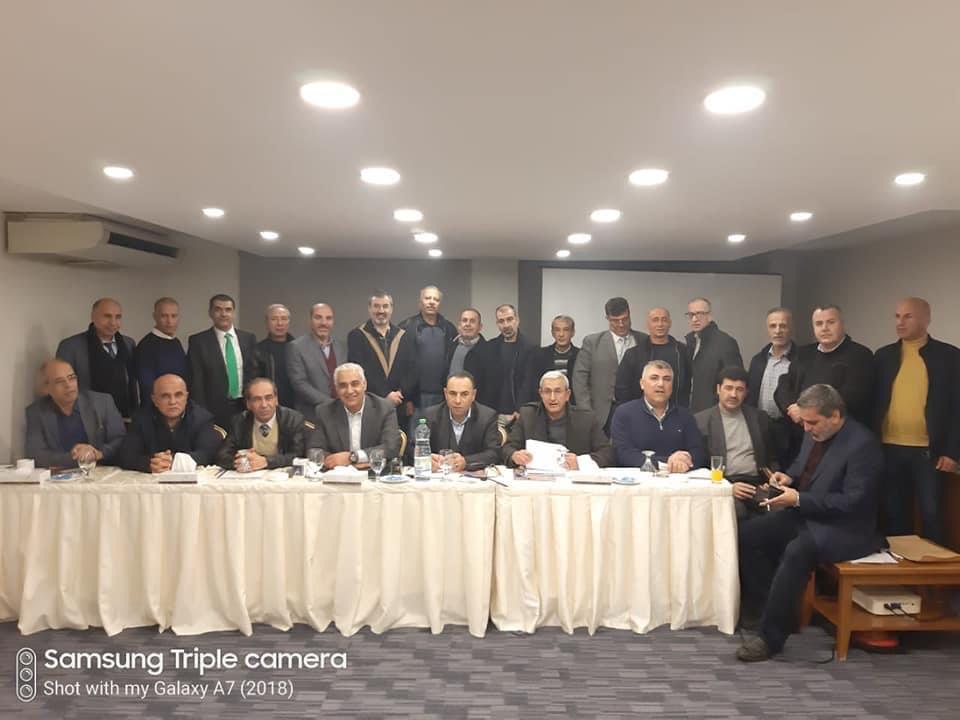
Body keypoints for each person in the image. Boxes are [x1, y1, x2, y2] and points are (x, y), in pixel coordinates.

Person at [736, 384, 883, 662]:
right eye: (804, 422)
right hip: (807, 513)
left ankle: (770, 637)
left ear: (835, 416)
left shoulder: (863, 445)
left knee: (798, 550)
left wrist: (799, 499)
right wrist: (787, 477)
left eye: (812, 422)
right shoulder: (815, 430)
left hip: (846, 527)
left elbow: (853, 503)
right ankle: (771, 611)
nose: (806, 428)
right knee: (748, 534)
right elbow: (802, 465)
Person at [874, 297, 960, 545]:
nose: (900, 322)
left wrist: (952, 452)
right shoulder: (884, 356)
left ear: (926, 319)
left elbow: (957, 407)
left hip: (929, 452)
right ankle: (901, 563)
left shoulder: (948, 356)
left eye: (908, 316)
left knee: (932, 514)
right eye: (897, 316)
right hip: (889, 447)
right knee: (894, 513)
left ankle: (934, 567)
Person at [694, 366, 776, 520]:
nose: (733, 394)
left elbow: (771, 457)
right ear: (718, 389)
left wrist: (771, 479)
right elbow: (699, 467)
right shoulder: (701, 422)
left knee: (781, 512)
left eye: (739, 389)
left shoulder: (759, 418)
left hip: (757, 484)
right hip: (723, 483)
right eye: (728, 388)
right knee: (737, 513)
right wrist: (727, 487)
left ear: (746, 392)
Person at [774, 305, 874, 426]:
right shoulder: (803, 353)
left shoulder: (860, 355)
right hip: (799, 429)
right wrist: (791, 407)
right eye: (819, 324)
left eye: (831, 322)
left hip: (839, 431)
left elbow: (852, 398)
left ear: (842, 324)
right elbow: (784, 386)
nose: (824, 328)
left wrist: (805, 411)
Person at [24, 358, 125, 468]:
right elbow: (36, 456)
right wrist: (76, 457)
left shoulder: (102, 402)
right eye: (59, 381)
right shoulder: (36, 412)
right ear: (47, 387)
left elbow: (121, 440)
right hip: (61, 475)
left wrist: (97, 454)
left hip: (101, 471)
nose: (68, 385)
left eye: (71, 378)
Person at [504, 370, 614, 468]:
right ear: (541, 394)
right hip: (538, 479)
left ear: (567, 395)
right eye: (547, 391)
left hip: (572, 478)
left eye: (557, 391)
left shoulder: (586, 418)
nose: (552, 398)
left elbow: (607, 453)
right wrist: (514, 456)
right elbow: (507, 448)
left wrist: (581, 462)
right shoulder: (528, 415)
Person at [610, 360, 706, 471]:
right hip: (639, 478)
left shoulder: (685, 416)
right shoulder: (624, 413)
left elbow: (698, 453)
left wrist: (685, 459)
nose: (661, 384)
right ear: (642, 384)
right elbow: (623, 454)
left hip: (677, 478)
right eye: (654, 378)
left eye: (667, 379)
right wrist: (668, 462)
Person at [118, 374, 224, 472]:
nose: (172, 402)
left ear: (186, 397)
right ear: (154, 400)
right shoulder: (141, 419)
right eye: (165, 396)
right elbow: (126, 455)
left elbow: (207, 454)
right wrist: (149, 463)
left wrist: (173, 460)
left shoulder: (202, 419)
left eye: (178, 395)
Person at [573, 297, 648, 431]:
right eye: (615, 320)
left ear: (629, 314)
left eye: (625, 319)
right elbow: (580, 379)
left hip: (637, 411)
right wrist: (586, 412)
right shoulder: (592, 342)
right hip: (601, 413)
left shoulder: (644, 340)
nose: (621, 324)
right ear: (607, 318)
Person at [56, 297, 138, 418]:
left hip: (125, 416)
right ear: (93, 317)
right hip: (86, 417)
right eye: (107, 316)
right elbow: (62, 387)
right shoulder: (71, 346)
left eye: (118, 317)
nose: (113, 322)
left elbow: (132, 383)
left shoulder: (128, 343)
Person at [186, 294, 258, 428]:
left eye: (228, 310)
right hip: (214, 409)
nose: (223, 314)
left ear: (233, 313)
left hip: (245, 406)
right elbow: (197, 381)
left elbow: (254, 373)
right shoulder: (198, 341)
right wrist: (202, 413)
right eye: (218, 309)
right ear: (210, 313)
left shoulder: (248, 338)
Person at [308, 363, 401, 467]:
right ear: (336, 389)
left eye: (355, 384)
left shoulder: (384, 408)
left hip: (373, 472)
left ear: (364, 385)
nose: (349, 391)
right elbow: (315, 450)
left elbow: (391, 448)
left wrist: (353, 457)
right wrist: (333, 461)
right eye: (343, 386)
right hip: (338, 473)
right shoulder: (324, 412)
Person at [347, 291, 416, 425]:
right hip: (371, 404)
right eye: (376, 306)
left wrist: (400, 393)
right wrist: (386, 395)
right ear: (369, 309)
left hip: (399, 404)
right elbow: (358, 371)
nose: (381, 311)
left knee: (400, 437)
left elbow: (412, 369)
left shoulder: (404, 336)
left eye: (385, 306)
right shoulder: (357, 336)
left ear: (391, 309)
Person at [408, 371, 500, 471]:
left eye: (464, 394)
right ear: (445, 394)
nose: (457, 400)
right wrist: (426, 458)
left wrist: (466, 461)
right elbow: (411, 450)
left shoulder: (487, 417)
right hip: (439, 477)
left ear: (473, 395)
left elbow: (494, 453)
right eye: (452, 393)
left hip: (472, 476)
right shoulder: (430, 415)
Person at [465, 304, 535, 425]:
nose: (506, 325)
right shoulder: (488, 349)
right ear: (497, 324)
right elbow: (482, 383)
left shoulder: (530, 349)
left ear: (517, 320)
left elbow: (529, 383)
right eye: (501, 321)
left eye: (509, 319)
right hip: (492, 415)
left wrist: (521, 410)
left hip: (519, 415)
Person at [218, 378, 309, 471]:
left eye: (268, 398)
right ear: (248, 404)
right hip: (250, 476)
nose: (264, 405)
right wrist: (241, 460)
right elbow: (223, 456)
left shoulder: (293, 419)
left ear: (276, 400)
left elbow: (298, 455)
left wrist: (267, 461)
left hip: (281, 475)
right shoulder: (240, 421)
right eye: (257, 399)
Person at [745, 307, 798, 466]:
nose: (778, 331)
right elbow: (750, 395)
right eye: (773, 326)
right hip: (761, 427)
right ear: (767, 329)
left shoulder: (802, 360)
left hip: (790, 429)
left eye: (783, 326)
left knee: (787, 470)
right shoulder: (758, 360)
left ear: (791, 328)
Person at [615, 307, 691, 407]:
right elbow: (622, 389)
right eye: (655, 320)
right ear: (648, 324)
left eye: (664, 320)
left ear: (670, 323)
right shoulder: (633, 354)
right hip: (640, 412)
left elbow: (689, 384)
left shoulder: (682, 351)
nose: (660, 324)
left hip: (676, 412)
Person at [399, 286, 458, 413]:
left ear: (439, 304)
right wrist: (406, 399)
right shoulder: (406, 328)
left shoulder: (449, 329)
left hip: (443, 396)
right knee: (418, 427)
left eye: (436, 299)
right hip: (416, 398)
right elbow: (400, 366)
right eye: (427, 298)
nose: (432, 302)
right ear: (420, 302)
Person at [286, 303, 346, 422]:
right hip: (312, 416)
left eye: (328, 318)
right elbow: (299, 383)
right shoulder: (296, 347)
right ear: (310, 320)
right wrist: (331, 404)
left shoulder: (342, 346)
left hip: (341, 415)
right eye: (318, 318)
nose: (324, 323)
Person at [684, 297, 743, 413]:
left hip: (714, 412)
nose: (694, 319)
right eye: (691, 315)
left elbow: (735, 381)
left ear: (710, 316)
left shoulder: (725, 342)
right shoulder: (691, 342)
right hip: (693, 410)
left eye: (699, 314)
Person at [134, 297, 188, 406]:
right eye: (164, 316)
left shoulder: (176, 342)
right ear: (155, 317)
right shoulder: (146, 345)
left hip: (178, 407)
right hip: (157, 409)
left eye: (174, 316)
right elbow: (148, 388)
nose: (169, 321)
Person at [529, 315, 580, 401]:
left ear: (573, 332)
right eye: (557, 330)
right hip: (546, 404)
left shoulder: (581, 355)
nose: (561, 334)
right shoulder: (540, 355)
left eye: (566, 330)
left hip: (573, 405)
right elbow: (533, 385)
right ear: (552, 333)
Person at [255, 304, 295, 408]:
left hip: (297, 405)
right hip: (268, 405)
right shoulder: (258, 350)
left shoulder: (299, 348)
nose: (280, 323)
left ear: (289, 322)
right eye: (274, 319)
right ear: (266, 322)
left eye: (284, 319)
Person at [445, 307, 485, 377]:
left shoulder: (488, 351)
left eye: (472, 321)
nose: (467, 324)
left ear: (480, 327)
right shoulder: (449, 347)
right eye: (464, 320)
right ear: (459, 326)